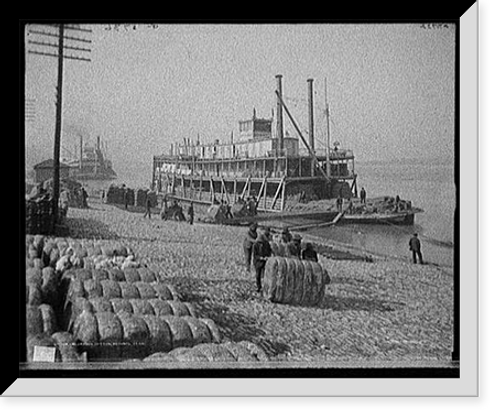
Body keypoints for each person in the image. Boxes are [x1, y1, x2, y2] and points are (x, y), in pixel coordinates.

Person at [253, 227, 273, 292]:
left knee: (266, 275)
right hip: (258, 262)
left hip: (265, 261)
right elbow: (255, 255)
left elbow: (269, 251)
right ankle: (258, 287)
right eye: (260, 242)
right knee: (258, 275)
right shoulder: (255, 245)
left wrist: (268, 256)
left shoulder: (266, 244)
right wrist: (260, 258)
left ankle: (265, 287)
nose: (261, 244)